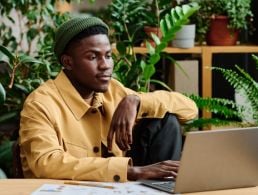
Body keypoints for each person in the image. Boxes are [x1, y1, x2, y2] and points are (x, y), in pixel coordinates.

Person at [19, 15, 198, 182]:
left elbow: (190, 110)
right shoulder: (40, 104)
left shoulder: (114, 90)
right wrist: (131, 171)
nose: (105, 65)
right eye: (92, 57)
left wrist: (135, 101)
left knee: (166, 122)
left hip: (117, 190)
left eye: (108, 56)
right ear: (68, 62)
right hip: (67, 191)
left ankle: (164, 188)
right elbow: (47, 164)